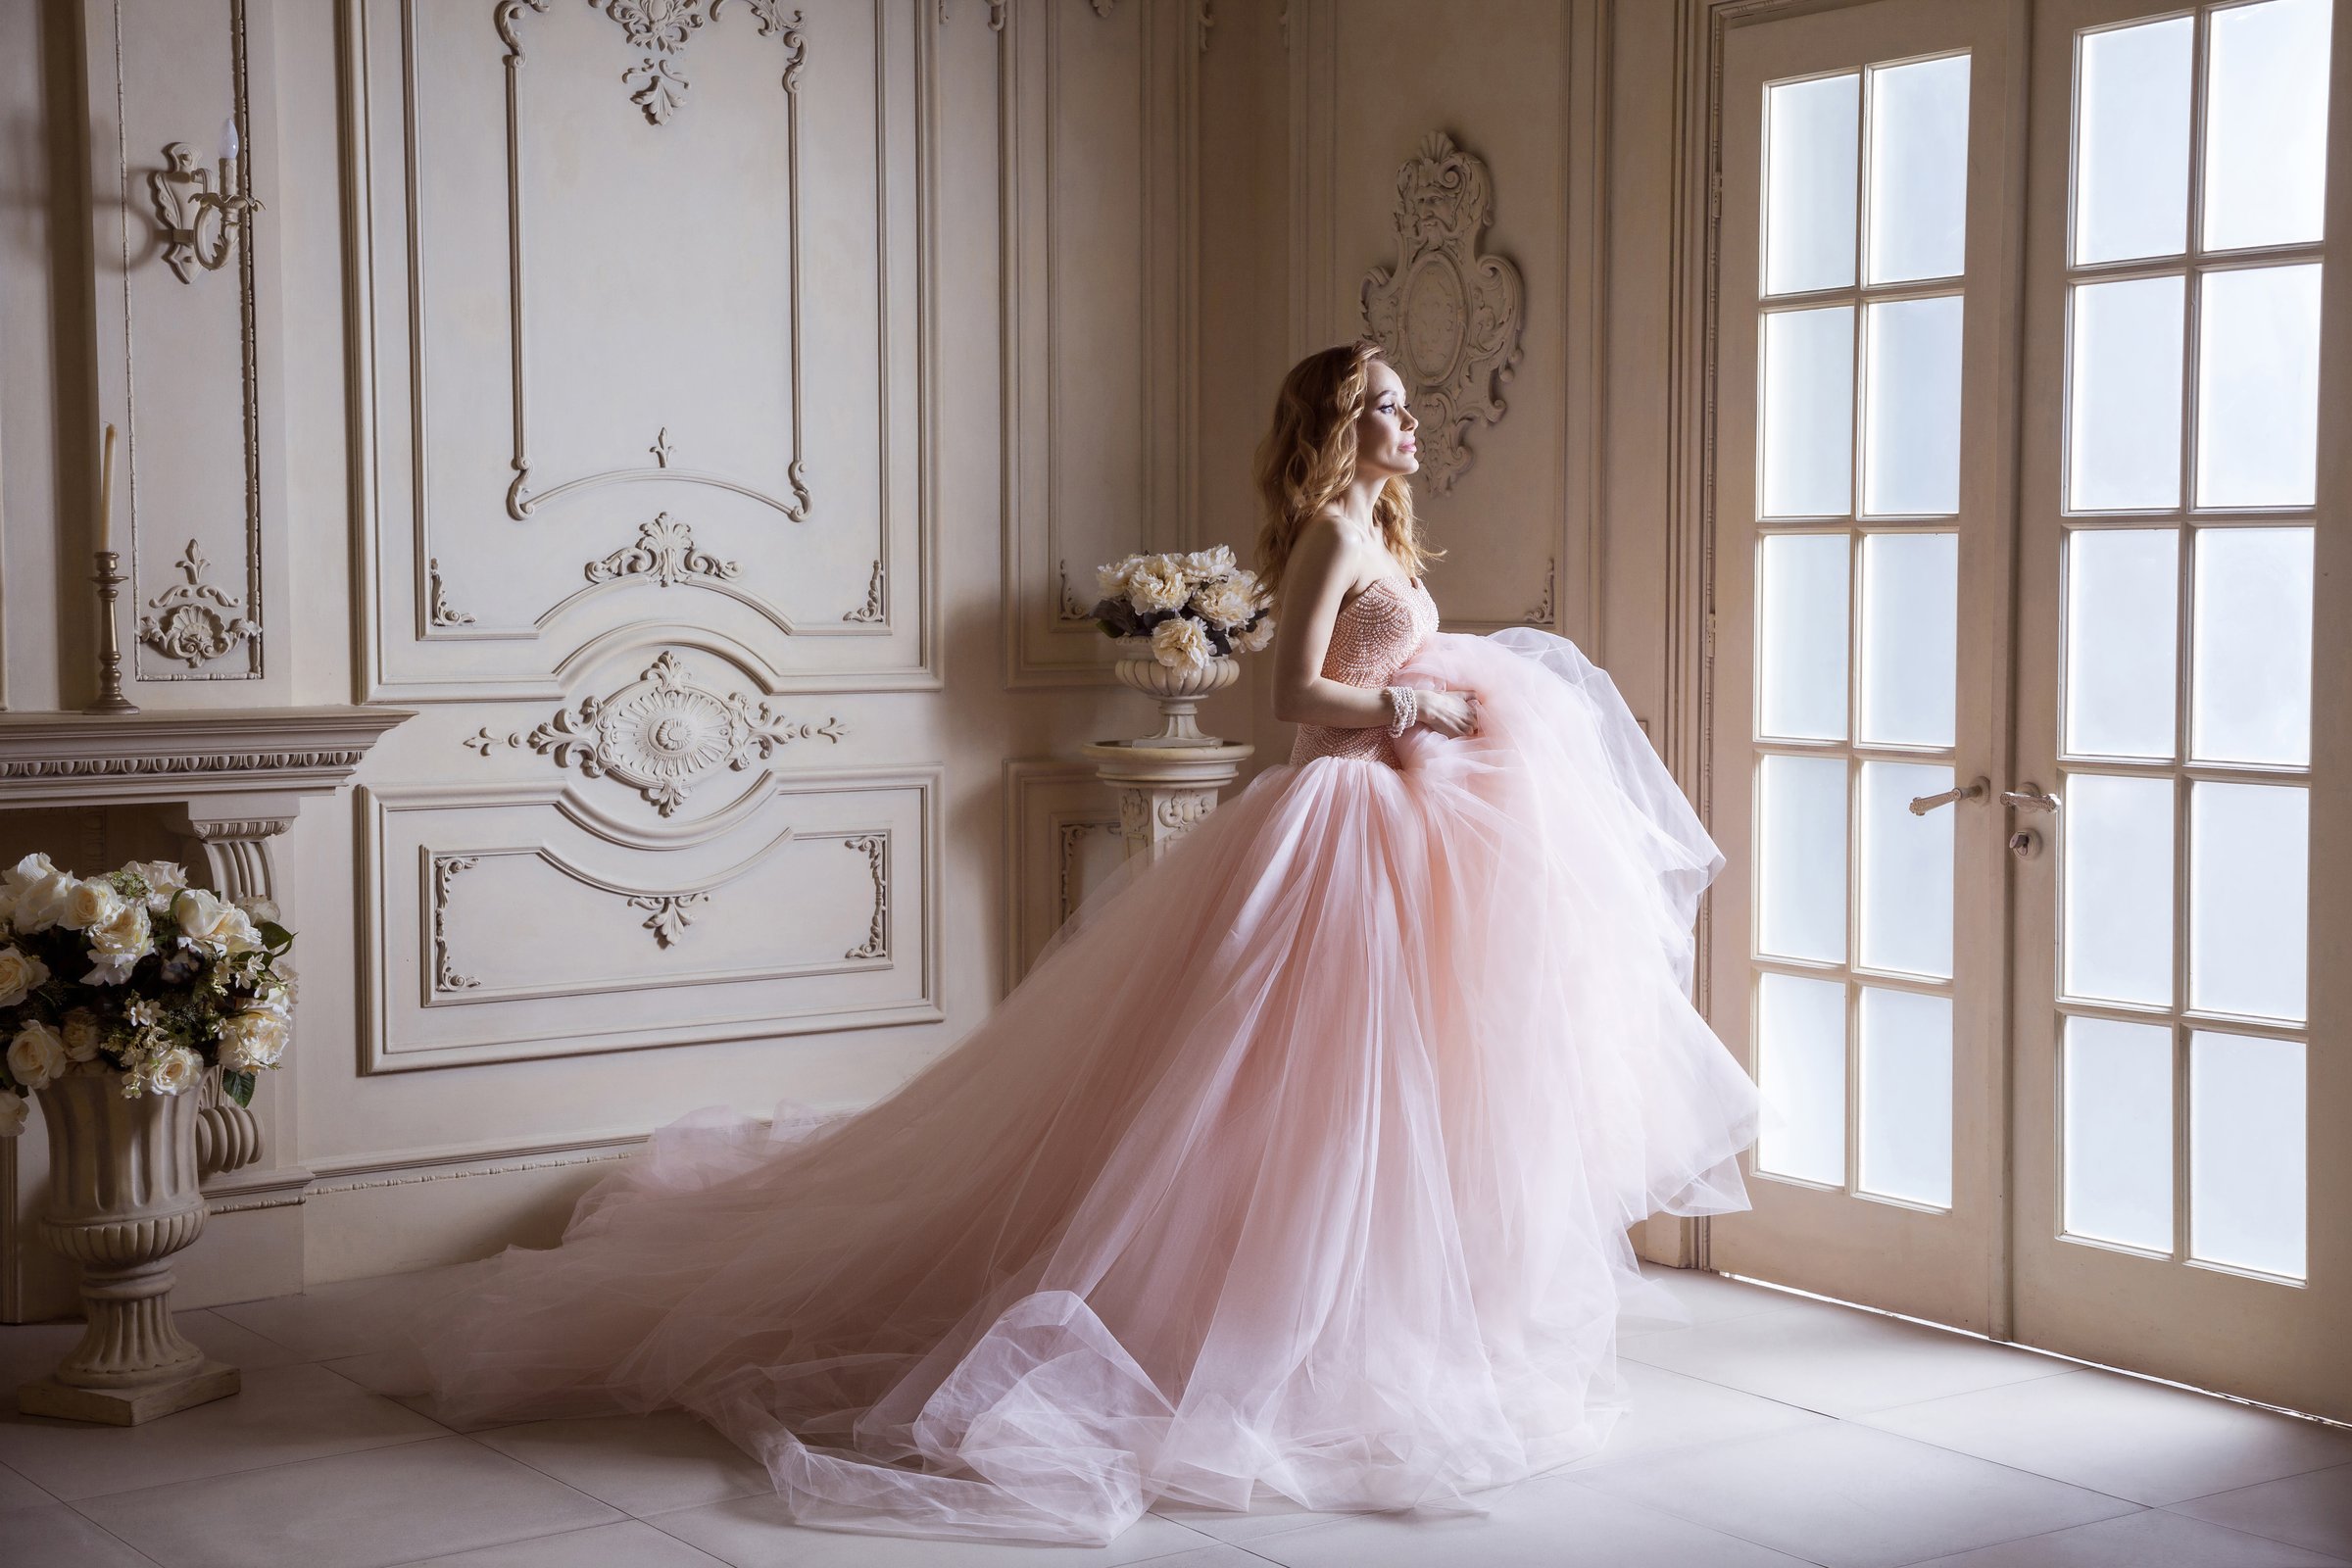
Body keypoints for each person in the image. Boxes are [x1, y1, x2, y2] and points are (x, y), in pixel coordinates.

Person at [368, 338, 1762, 1545]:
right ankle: (1256, 1329)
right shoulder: (1339, 531)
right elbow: (1293, 697)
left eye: (1403, 403)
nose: (1409, 421)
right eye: (1384, 404)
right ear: (1339, 427)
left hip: (1400, 818)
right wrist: (1414, 714)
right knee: (1286, 1092)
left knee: (1381, 1091)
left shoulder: (1387, 532)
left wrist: (1442, 705)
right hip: (1343, 820)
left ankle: (1372, 1321)